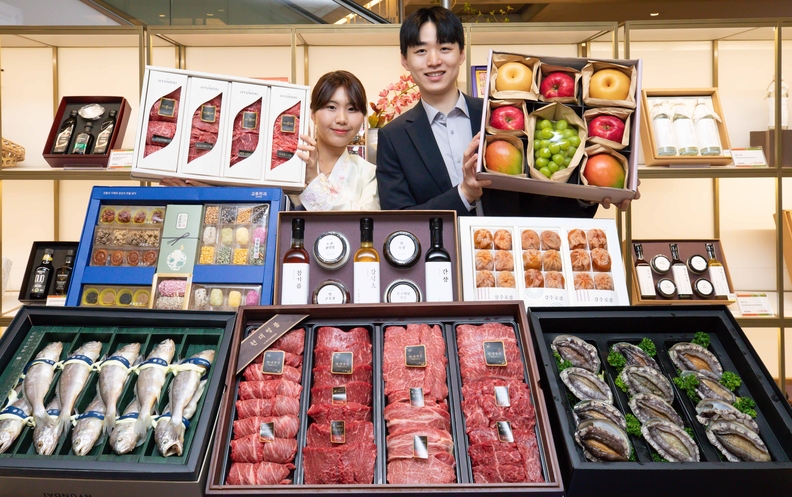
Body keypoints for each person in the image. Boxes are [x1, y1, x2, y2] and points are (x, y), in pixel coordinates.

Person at [376, 6, 635, 217]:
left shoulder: (499, 115)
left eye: (445, 48)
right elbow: (400, 221)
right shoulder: (394, 138)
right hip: (442, 261)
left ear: (462, 54)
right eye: (421, 51)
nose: (434, 61)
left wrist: (586, 196)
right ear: (405, 60)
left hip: (510, 259)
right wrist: (464, 193)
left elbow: (536, 207)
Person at [294, 70, 379, 211]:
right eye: (331, 107)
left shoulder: (369, 174)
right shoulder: (292, 162)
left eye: (352, 109)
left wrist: (313, 181)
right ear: (313, 114)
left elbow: (365, 221)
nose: (342, 119)